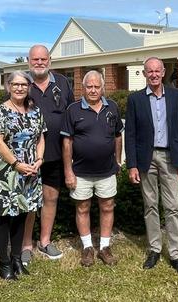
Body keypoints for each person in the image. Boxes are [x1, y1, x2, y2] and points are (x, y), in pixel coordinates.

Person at [125, 57, 178, 275]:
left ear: (163, 72)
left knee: (172, 207)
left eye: (157, 71)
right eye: (149, 71)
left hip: (170, 157)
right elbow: (131, 134)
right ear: (144, 74)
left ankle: (175, 254)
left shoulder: (177, 96)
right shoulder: (135, 100)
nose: (153, 74)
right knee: (150, 206)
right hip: (146, 159)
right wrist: (132, 165)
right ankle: (154, 249)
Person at [0, 72, 46, 280]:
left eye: (24, 84)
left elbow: (40, 138)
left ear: (29, 87)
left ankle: (17, 258)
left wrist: (39, 159)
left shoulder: (35, 111)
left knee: (23, 214)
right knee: (6, 216)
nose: (19, 88)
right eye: (15, 84)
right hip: (9, 171)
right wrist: (17, 164)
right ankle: (4, 263)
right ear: (8, 86)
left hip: (31, 170)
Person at [61, 71, 123, 267]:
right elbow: (67, 142)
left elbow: (118, 136)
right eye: (90, 86)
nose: (93, 90)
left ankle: (104, 247)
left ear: (102, 87)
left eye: (97, 86)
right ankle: (88, 248)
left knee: (107, 206)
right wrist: (68, 171)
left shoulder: (112, 107)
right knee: (82, 208)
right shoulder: (73, 110)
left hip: (107, 170)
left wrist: (118, 161)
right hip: (80, 172)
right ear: (83, 87)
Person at [21, 45, 75, 266]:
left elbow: (72, 114)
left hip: (55, 152)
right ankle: (25, 245)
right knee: (28, 200)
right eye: (36, 59)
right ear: (28, 60)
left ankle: (44, 241)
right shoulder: (21, 83)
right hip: (28, 156)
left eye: (44, 59)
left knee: (50, 197)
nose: (40, 62)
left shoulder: (62, 83)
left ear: (50, 60)